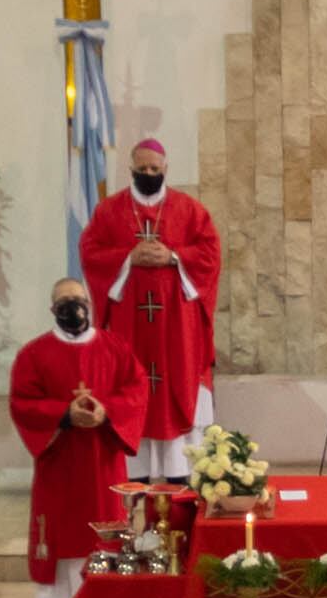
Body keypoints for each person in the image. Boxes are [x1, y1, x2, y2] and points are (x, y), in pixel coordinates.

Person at [5, 270, 148, 598]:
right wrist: (64, 414)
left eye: (80, 301)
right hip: (61, 462)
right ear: (54, 309)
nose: (75, 308)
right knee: (64, 536)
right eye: (66, 303)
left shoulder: (114, 348)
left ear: (90, 305)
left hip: (102, 460)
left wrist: (106, 410)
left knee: (103, 533)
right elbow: (23, 402)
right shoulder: (34, 354)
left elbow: (135, 390)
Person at [76, 136, 221, 487]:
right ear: (131, 169)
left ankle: (179, 484)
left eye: (155, 169)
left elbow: (210, 254)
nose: (149, 173)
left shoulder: (189, 210)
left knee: (176, 396)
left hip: (177, 334)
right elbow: (90, 251)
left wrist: (174, 256)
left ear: (166, 168)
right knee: (131, 393)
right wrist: (128, 256)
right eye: (142, 169)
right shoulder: (109, 211)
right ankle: (131, 490)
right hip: (130, 331)